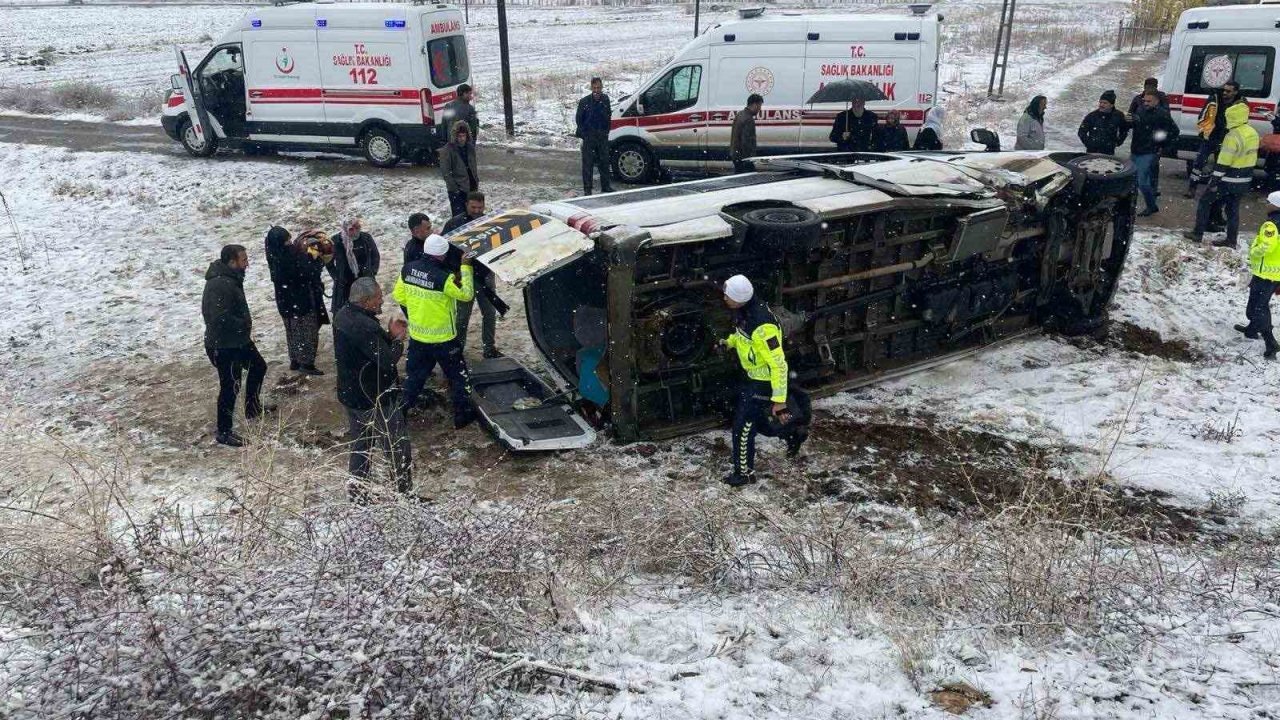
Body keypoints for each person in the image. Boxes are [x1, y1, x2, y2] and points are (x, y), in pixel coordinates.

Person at [720, 275, 806, 487]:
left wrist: (779, 400)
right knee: (762, 424)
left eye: (727, 295)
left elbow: (779, 364)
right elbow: (743, 337)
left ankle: (744, 473)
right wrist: (729, 343)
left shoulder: (762, 326)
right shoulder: (745, 312)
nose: (724, 297)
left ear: (739, 298)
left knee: (743, 427)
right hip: (752, 377)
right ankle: (794, 433)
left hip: (763, 382)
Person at [333, 277, 413, 501]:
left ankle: (358, 495)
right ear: (366, 301)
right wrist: (397, 339)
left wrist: (385, 336)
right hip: (374, 396)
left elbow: (366, 350)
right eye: (378, 298)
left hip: (351, 393)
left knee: (361, 445)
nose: (381, 302)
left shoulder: (343, 315)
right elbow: (386, 360)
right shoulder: (364, 325)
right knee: (397, 446)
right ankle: (406, 496)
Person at [393, 233, 478, 428]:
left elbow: (399, 295)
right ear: (442, 255)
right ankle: (462, 417)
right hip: (444, 339)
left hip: (418, 338)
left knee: (414, 379)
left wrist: (418, 311)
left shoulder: (407, 270)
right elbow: (466, 295)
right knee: (458, 377)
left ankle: (399, 415)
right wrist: (466, 267)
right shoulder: (444, 277)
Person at [202, 244, 269, 448]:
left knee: (259, 366)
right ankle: (224, 432)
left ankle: (252, 407)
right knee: (230, 386)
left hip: (237, 341)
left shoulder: (230, 279)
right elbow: (218, 317)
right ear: (232, 262)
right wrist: (242, 324)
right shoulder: (220, 284)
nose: (247, 264)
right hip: (224, 345)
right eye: (244, 260)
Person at [1185, 101, 1258, 247]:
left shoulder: (1232, 136)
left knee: (1205, 201)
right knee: (1233, 209)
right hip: (1244, 179)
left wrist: (1213, 182)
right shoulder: (1252, 132)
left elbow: (1223, 163)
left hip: (1227, 179)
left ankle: (1198, 233)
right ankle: (1231, 239)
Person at [445, 191, 504, 359]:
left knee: (490, 313)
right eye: (473, 207)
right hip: (463, 276)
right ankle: (458, 349)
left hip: (485, 275)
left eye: (480, 207)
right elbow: (446, 251)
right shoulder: (454, 224)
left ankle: (489, 348)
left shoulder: (490, 223)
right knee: (462, 317)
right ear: (466, 205)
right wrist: (455, 271)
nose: (477, 211)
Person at [265, 226, 330, 375]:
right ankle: (306, 363)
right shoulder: (292, 255)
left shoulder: (272, 255)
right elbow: (310, 271)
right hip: (301, 300)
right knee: (308, 331)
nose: (290, 242)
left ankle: (295, 359)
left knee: (292, 331)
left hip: (284, 301)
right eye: (288, 240)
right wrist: (315, 259)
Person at [1234, 192, 1280, 358]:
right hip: (1275, 273)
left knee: (1258, 306)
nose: (1266, 205)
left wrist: (1253, 252)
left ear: (1276, 205)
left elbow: (1266, 246)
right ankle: (1252, 329)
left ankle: (1271, 342)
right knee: (1257, 303)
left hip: (1265, 273)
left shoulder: (1271, 225)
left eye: (1269, 202)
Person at [1129, 90, 1179, 217]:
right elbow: (1137, 125)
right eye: (1144, 100)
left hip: (1149, 152)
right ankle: (1135, 205)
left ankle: (1151, 206)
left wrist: (1161, 145)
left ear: (1157, 101)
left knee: (1142, 181)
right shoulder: (1140, 110)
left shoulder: (1162, 115)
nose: (1145, 103)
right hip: (1136, 149)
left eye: (1148, 101)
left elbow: (1174, 131)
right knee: (1132, 180)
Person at [326, 217, 380, 314]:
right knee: (345, 312)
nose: (355, 231)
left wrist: (372, 271)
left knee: (366, 308)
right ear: (345, 229)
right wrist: (337, 277)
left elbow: (375, 256)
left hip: (364, 281)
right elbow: (328, 262)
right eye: (351, 229)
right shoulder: (336, 241)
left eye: (357, 228)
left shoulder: (366, 238)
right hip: (345, 284)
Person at [575, 77, 614, 195]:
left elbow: (608, 116)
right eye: (595, 88)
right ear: (591, 88)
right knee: (588, 164)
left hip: (602, 136)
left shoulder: (605, 99)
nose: (597, 90)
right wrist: (585, 134)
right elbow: (578, 119)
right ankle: (587, 190)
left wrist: (606, 131)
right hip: (589, 137)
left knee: (604, 162)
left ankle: (605, 187)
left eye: (599, 88)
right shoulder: (584, 102)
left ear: (602, 87)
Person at [440, 121, 478, 218]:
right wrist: (455, 189)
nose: (462, 139)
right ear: (455, 136)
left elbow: (473, 165)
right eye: (459, 136)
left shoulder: (469, 147)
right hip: (457, 190)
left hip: (471, 187)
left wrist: (475, 180)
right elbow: (446, 172)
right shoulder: (447, 150)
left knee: (473, 216)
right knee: (459, 218)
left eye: (464, 136)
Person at [1077, 90, 1129, 155]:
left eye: (1105, 103)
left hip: (1108, 152)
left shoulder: (1119, 116)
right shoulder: (1092, 116)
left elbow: (1124, 130)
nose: (1101, 105)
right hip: (1092, 152)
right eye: (1100, 102)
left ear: (1112, 105)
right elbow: (1081, 132)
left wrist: (1118, 142)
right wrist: (1089, 144)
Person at [730, 93, 762, 173]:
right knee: (748, 179)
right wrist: (750, 158)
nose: (759, 109)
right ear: (755, 105)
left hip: (736, 155)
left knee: (739, 178)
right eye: (759, 106)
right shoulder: (748, 119)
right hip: (744, 158)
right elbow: (747, 141)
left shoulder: (740, 114)